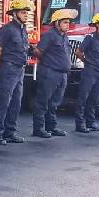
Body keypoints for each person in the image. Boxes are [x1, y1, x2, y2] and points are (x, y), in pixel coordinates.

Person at [0, 0, 34, 145]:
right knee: (3, 102)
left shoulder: (23, 30)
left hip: (19, 69)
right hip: (8, 68)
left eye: (26, 13)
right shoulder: (7, 29)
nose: (26, 15)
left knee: (16, 102)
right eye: (23, 12)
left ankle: (10, 132)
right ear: (14, 14)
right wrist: (1, 65)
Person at [32, 9, 75, 138]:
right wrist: (47, 63)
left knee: (54, 103)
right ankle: (38, 128)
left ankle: (51, 127)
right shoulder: (50, 35)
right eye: (65, 22)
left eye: (69, 22)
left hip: (62, 74)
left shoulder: (64, 36)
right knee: (43, 101)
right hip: (50, 73)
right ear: (57, 23)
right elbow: (38, 51)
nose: (68, 24)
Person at [73, 12, 99, 133]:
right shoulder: (90, 38)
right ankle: (79, 124)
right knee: (83, 98)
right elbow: (78, 52)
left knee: (94, 98)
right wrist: (87, 61)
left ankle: (91, 122)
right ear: (97, 25)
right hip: (89, 71)